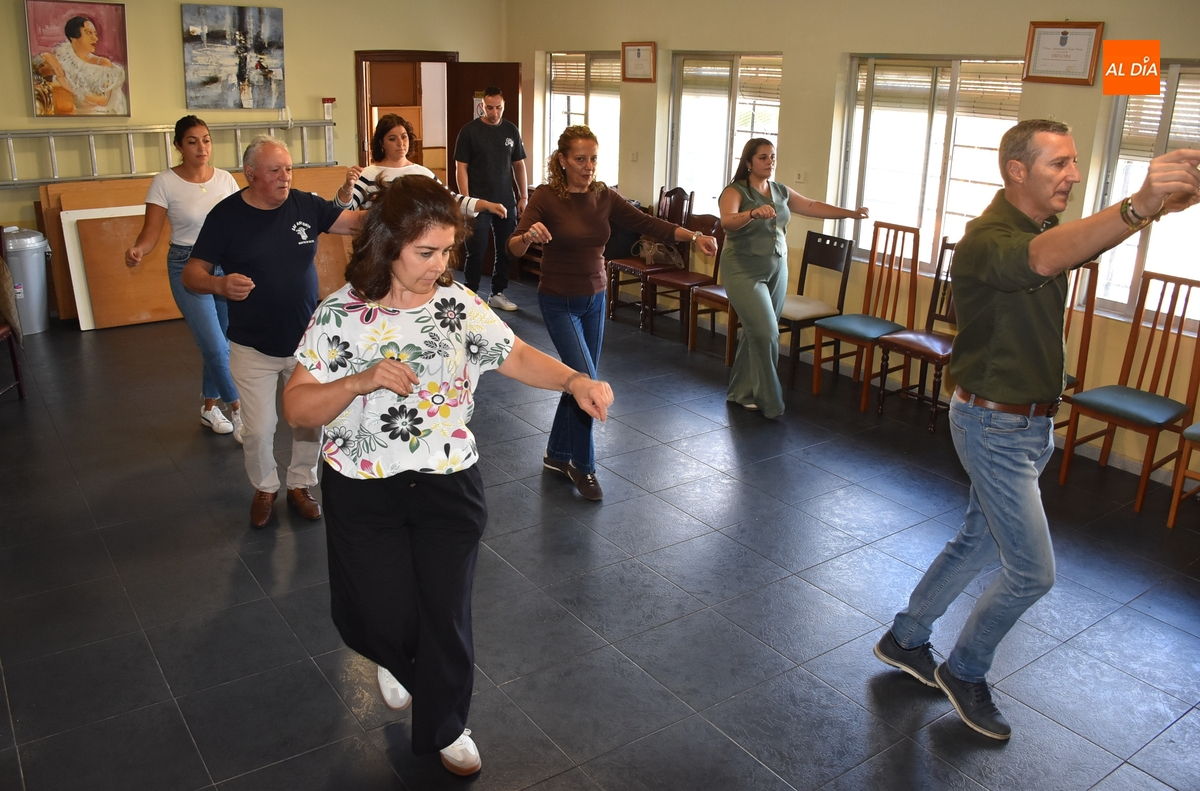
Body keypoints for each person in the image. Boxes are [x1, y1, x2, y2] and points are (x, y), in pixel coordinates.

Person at [874, 119, 1200, 740]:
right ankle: (965, 671)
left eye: (1074, 162)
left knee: (979, 540)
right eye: (1060, 164)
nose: (1073, 175)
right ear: (1017, 171)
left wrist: (1157, 207)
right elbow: (1044, 259)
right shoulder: (987, 239)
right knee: (1032, 572)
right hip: (994, 425)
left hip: (1025, 425)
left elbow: (1068, 246)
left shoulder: (1039, 227)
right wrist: (1138, 205)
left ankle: (905, 638)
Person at [281, 175, 614, 777]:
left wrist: (574, 380)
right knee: (373, 612)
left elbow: (513, 353)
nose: (440, 265)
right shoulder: (340, 314)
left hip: (447, 479)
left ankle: (447, 724)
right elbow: (297, 409)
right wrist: (358, 381)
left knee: (445, 613)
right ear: (388, 243)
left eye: (447, 251)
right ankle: (395, 656)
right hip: (362, 484)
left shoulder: (458, 305)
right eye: (426, 252)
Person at [509, 126, 718, 500]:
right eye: (580, 159)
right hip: (558, 301)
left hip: (595, 299)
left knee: (578, 379)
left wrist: (693, 236)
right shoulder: (546, 197)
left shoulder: (603, 195)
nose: (588, 166)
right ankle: (583, 466)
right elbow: (513, 247)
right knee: (587, 382)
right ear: (562, 160)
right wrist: (527, 237)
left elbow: (648, 223)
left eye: (593, 159)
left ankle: (557, 455)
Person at [182, 135, 363, 529]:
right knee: (260, 429)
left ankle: (300, 485)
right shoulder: (226, 216)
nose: (285, 177)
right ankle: (265, 488)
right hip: (252, 346)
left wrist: (401, 208)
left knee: (309, 423)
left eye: (289, 169)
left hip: (306, 345)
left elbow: (353, 223)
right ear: (250, 174)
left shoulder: (304, 204)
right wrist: (218, 284)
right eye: (275, 170)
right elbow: (191, 273)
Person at [718, 138, 867, 418]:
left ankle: (741, 392)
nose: (770, 162)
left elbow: (811, 205)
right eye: (763, 157)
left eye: (772, 157)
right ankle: (770, 399)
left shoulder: (780, 190)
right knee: (767, 332)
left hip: (777, 268)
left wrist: (850, 214)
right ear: (748, 162)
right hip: (742, 269)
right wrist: (752, 213)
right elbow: (727, 221)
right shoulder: (735, 190)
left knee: (755, 332)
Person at [126, 116, 243, 439]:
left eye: (206, 140)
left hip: (224, 265)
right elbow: (151, 232)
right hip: (187, 265)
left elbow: (241, 225)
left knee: (222, 343)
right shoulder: (165, 182)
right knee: (215, 347)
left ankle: (209, 407)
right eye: (192, 142)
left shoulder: (225, 180)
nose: (201, 148)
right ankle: (239, 411)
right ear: (179, 146)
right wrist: (138, 250)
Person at [334, 113, 506, 217]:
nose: (400, 143)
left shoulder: (422, 173)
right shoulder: (368, 174)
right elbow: (342, 211)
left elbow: (451, 200)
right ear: (381, 143)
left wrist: (485, 204)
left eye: (404, 137)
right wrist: (347, 187)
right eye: (392, 139)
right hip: (380, 249)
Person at [453, 87, 527, 311]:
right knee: (476, 250)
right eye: (490, 108)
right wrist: (466, 201)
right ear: (482, 107)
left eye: (499, 108)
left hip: (506, 201)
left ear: (504, 106)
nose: (494, 113)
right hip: (479, 204)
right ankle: (471, 295)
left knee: (505, 249)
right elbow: (461, 167)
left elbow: (518, 165)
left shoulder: (511, 130)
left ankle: (498, 293)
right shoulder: (469, 131)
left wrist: (523, 196)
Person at [31, 15, 127, 116]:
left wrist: (68, 87)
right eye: (88, 33)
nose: (95, 38)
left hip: (102, 115)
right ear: (73, 37)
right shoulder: (64, 57)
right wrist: (47, 56)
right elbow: (34, 65)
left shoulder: (103, 63)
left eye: (95, 33)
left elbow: (103, 101)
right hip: (74, 115)